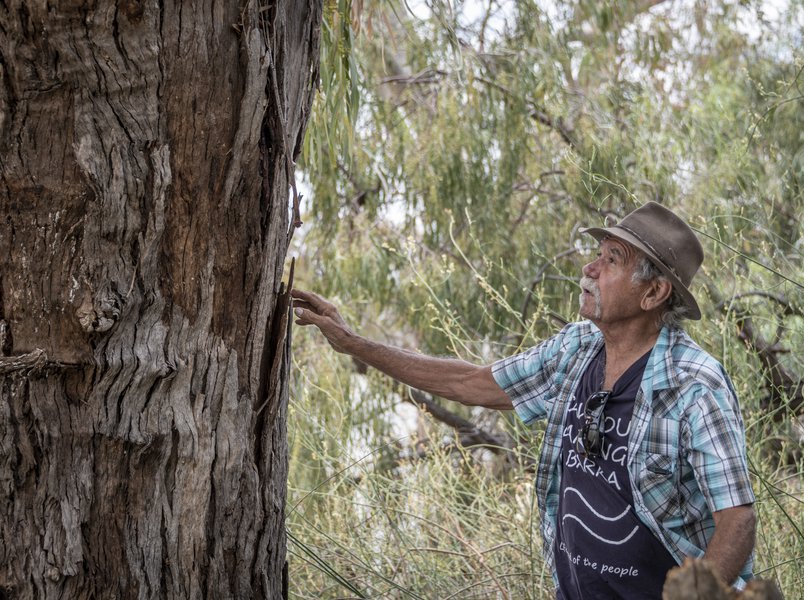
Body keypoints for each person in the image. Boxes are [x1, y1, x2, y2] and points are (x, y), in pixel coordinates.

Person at [292, 202, 756, 599]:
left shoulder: (695, 385)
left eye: (611, 260)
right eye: (596, 255)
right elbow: (476, 384)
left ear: (654, 292)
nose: (589, 270)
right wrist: (356, 345)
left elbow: (736, 520)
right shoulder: (578, 347)